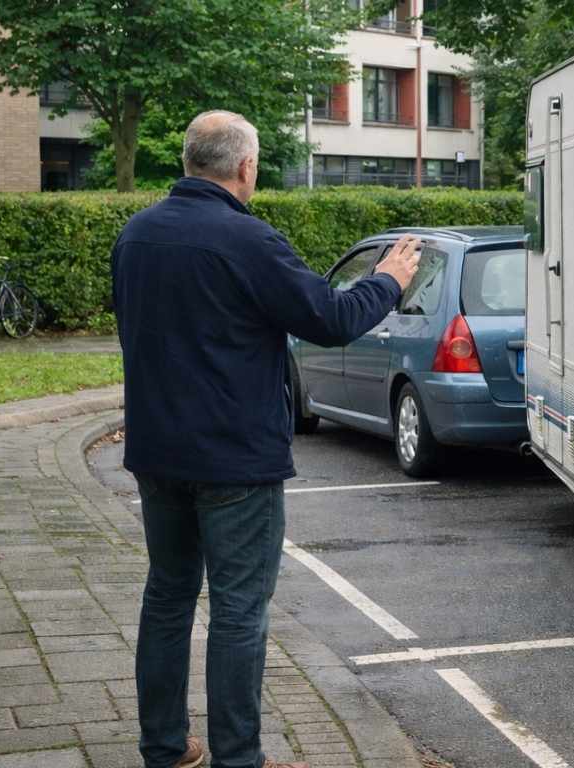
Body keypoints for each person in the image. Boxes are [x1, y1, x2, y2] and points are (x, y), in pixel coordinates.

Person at [111, 110, 420, 768]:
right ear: (245, 168)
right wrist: (389, 278)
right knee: (239, 609)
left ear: (191, 160)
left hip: (157, 453)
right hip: (234, 462)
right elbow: (333, 318)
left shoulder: (135, 235)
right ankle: (238, 759)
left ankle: (164, 749)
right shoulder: (248, 240)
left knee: (166, 595)